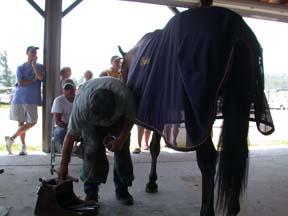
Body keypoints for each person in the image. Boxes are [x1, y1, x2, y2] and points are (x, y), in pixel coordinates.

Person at [58, 77, 136, 207]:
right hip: (91, 121)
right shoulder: (81, 106)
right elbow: (70, 136)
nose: (103, 123)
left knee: (122, 150)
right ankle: (91, 193)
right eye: (100, 119)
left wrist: (120, 140)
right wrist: (63, 166)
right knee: (91, 150)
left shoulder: (126, 97)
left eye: (105, 119)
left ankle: (123, 190)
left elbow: (130, 119)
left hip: (119, 119)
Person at [5, 46, 45, 155]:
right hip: (18, 98)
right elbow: (21, 82)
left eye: (35, 52)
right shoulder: (20, 67)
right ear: (27, 53)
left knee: (32, 122)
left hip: (31, 99)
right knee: (21, 122)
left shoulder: (40, 67)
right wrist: (33, 80)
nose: (34, 54)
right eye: (32, 52)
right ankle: (23, 147)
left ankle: (11, 139)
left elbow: (41, 78)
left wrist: (33, 65)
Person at [51, 79, 76, 153]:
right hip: (63, 127)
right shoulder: (58, 100)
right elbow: (58, 121)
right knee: (60, 132)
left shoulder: (79, 99)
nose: (69, 90)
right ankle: (68, 148)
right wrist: (70, 128)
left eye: (71, 88)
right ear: (63, 90)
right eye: (67, 88)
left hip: (77, 126)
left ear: (75, 89)